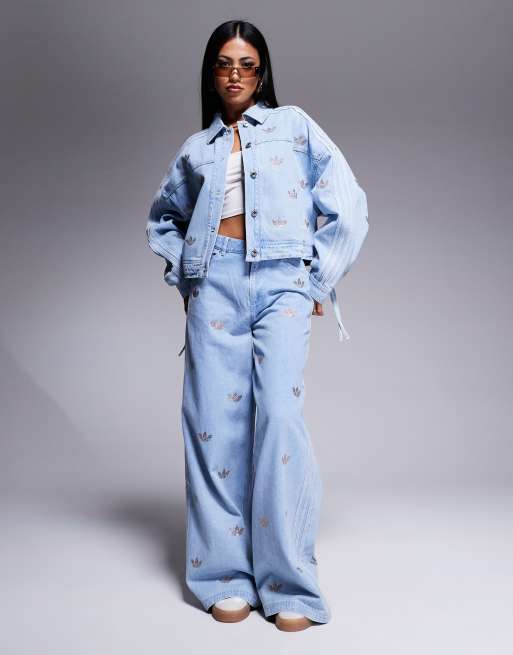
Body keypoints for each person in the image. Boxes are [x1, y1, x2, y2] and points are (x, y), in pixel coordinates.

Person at [145, 19, 369, 631]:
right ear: (211, 74)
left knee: (279, 418)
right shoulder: (198, 149)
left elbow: (347, 201)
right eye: (224, 64)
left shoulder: (293, 126)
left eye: (246, 64)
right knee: (213, 427)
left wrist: (317, 278)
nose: (235, 74)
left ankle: (289, 581)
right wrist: (189, 274)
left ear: (262, 72)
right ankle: (223, 574)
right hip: (215, 282)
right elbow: (163, 218)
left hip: (281, 280)